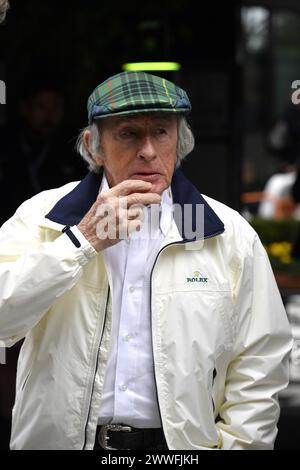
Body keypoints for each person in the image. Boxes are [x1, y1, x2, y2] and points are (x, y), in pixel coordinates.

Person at [0, 71, 293, 450]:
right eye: (129, 133)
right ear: (94, 146)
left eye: (161, 132)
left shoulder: (228, 234)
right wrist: (82, 242)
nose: (149, 151)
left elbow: (261, 362)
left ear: (180, 142)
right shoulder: (41, 217)